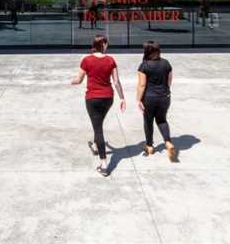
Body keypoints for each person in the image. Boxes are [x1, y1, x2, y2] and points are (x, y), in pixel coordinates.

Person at [70, 34, 125, 176]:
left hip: (93, 99)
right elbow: (117, 82)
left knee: (98, 128)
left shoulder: (87, 60)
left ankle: (104, 165)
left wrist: (71, 80)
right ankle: (95, 145)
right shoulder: (111, 60)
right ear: (104, 44)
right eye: (107, 44)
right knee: (98, 123)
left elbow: (79, 80)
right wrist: (122, 98)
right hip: (108, 98)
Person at [136, 40, 177, 161]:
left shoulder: (144, 65)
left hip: (149, 98)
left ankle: (149, 146)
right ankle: (168, 142)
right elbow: (169, 81)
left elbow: (142, 85)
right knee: (162, 120)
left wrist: (138, 99)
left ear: (147, 52)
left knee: (148, 121)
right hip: (164, 97)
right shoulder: (166, 63)